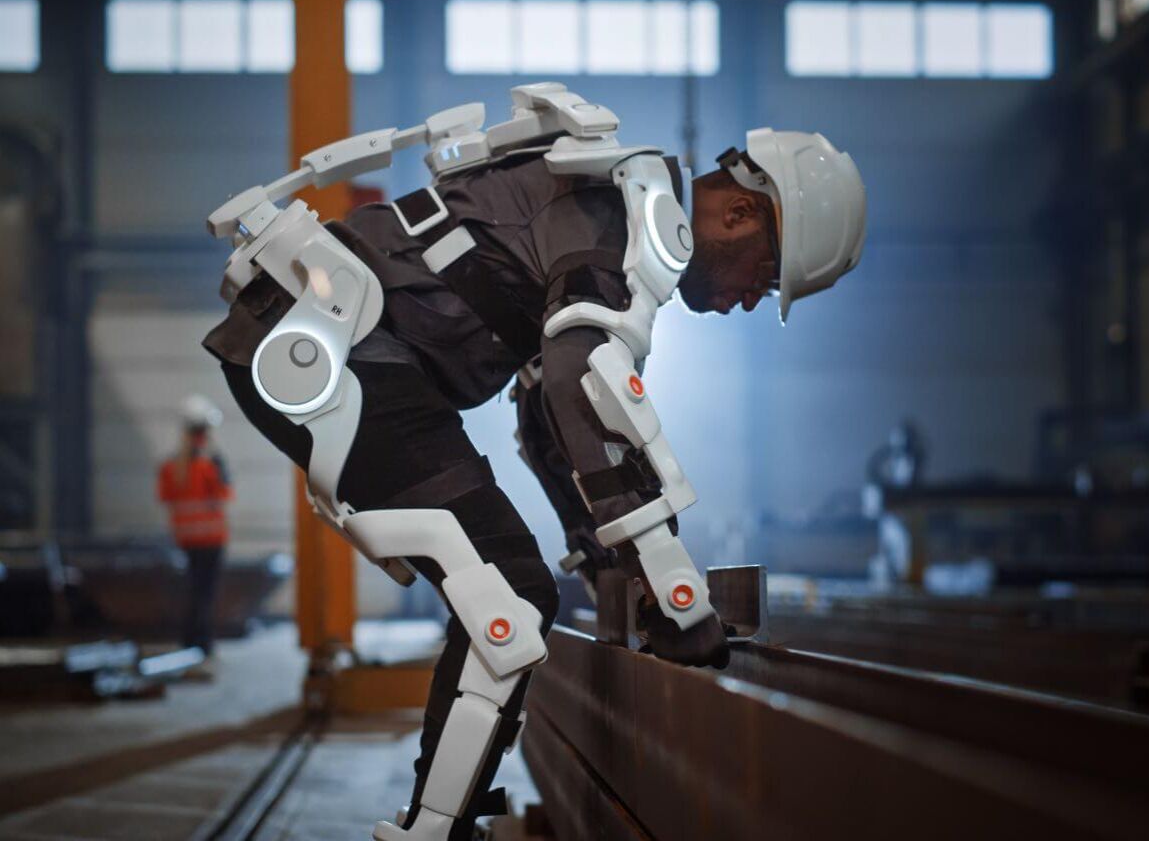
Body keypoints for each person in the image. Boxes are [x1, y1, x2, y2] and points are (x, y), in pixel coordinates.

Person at [202, 84, 865, 841]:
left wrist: (607, 566)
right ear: (741, 214)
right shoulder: (622, 217)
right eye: (767, 274)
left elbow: (544, 413)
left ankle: (444, 809)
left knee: (505, 588)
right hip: (330, 351)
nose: (752, 298)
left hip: (339, 346)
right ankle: (432, 833)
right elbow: (582, 380)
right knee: (509, 601)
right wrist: (674, 589)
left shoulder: (602, 198)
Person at [158, 394, 232, 659]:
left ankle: (189, 641)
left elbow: (166, 497)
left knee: (192, 593)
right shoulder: (209, 465)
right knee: (205, 595)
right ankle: (202, 645)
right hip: (211, 541)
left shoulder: (170, 466)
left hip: (185, 541)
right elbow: (224, 495)